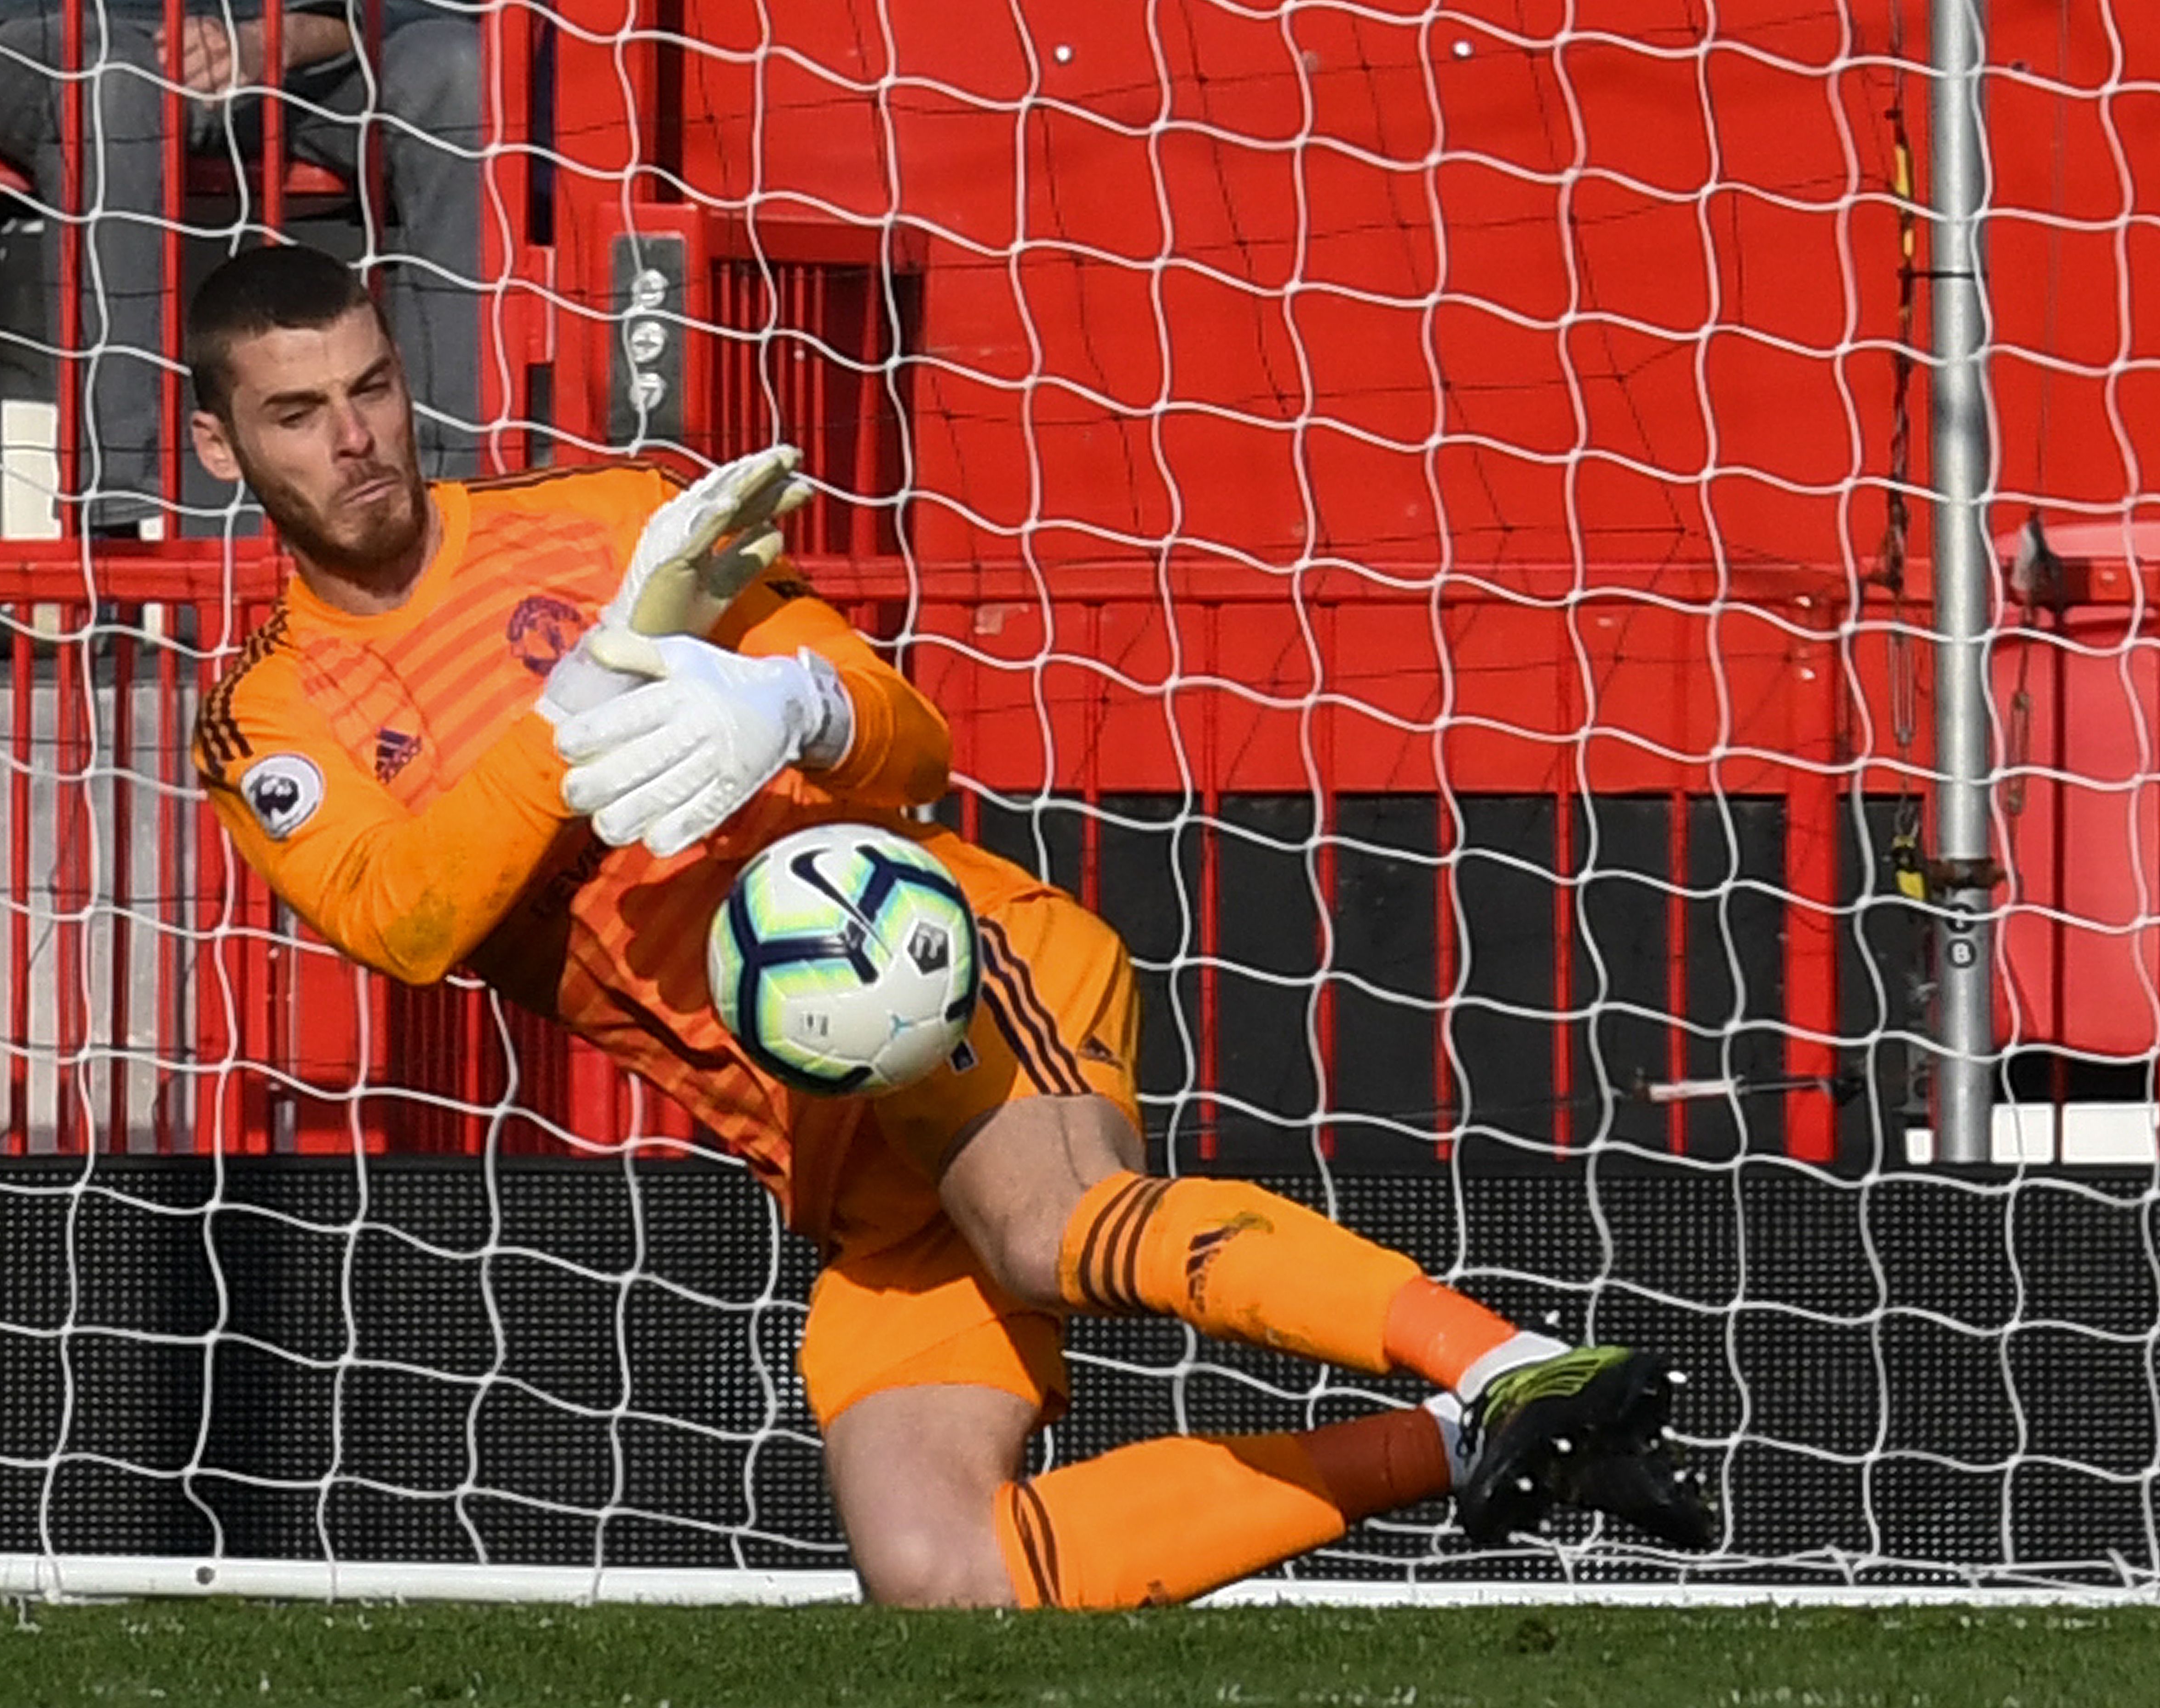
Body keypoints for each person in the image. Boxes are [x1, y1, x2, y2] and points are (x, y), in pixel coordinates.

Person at [183, 244, 1717, 1608]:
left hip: (938, 964)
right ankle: (1460, 1446)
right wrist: (592, 686)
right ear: (216, 441)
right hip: (824, 1134)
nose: (357, 437)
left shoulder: (613, 523)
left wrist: (789, 697)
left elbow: (908, 746)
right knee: (937, 1568)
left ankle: (1511, 1362)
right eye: (298, 414)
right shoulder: (265, 710)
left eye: (371, 386)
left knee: (1046, 1228)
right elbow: (410, 918)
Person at [0, 0, 482, 531]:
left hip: (303, 53)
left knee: (455, 71)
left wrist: (275, 39)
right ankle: (110, 535)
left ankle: (456, 502)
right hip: (73, 36)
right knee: (111, 81)